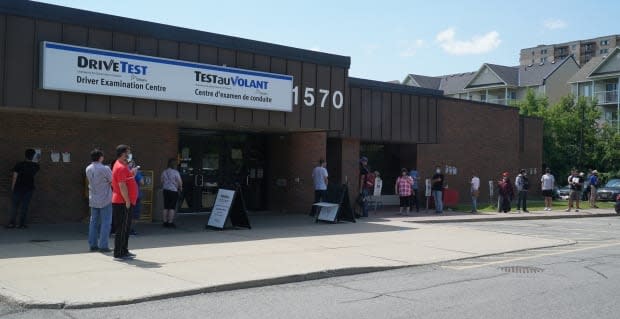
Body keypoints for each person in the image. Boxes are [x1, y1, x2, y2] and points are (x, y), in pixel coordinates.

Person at [111, 144, 139, 261]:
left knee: (125, 228)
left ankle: (124, 250)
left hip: (125, 201)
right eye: (128, 153)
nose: (129, 155)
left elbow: (126, 180)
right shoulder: (121, 167)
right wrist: (127, 200)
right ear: (123, 154)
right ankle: (119, 253)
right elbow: (122, 186)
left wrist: (132, 173)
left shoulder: (123, 166)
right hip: (122, 202)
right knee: (122, 228)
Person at [85, 149, 113, 252]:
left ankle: (92, 244)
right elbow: (112, 180)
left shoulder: (88, 168)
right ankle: (103, 245)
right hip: (105, 198)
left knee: (93, 222)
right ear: (101, 157)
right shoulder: (105, 168)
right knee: (106, 222)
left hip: (93, 198)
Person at [6, 149, 40, 229]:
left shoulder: (19, 165)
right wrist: (36, 160)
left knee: (14, 206)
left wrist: (12, 187)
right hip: (29, 189)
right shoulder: (35, 166)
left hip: (18, 188)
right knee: (25, 207)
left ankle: (12, 223)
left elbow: (14, 177)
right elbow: (35, 168)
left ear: (25, 155)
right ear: (33, 156)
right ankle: (22, 224)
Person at [161, 158, 182, 227]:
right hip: (173, 191)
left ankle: (164, 222)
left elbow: (162, 181)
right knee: (172, 207)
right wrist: (180, 188)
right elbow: (179, 182)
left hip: (165, 190)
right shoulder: (176, 172)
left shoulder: (164, 172)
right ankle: (170, 222)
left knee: (166, 207)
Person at [130, 160, 144, 235]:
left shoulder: (124, 171)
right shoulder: (137, 172)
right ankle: (130, 229)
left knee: (127, 214)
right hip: (136, 196)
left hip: (125, 196)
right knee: (135, 215)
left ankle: (126, 229)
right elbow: (142, 182)